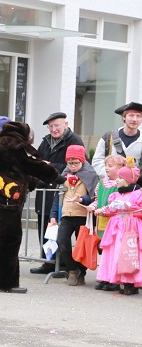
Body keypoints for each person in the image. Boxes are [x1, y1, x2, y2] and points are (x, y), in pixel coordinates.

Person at [0, 121, 58, 294]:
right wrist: (56, 176)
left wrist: (39, 181)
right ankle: (6, 283)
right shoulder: (14, 148)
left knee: (7, 236)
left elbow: (20, 173)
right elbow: (34, 167)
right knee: (11, 236)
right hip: (2, 199)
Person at [32, 112, 85, 274]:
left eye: (57, 125)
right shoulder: (45, 142)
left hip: (64, 190)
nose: (53, 129)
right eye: (51, 126)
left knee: (61, 227)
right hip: (45, 188)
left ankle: (62, 264)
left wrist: (49, 166)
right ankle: (48, 261)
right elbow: (37, 160)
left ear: (66, 125)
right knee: (44, 224)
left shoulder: (74, 141)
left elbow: (75, 164)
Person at [94, 166, 142, 295]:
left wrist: (129, 206)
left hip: (130, 227)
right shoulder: (117, 194)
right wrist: (103, 210)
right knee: (115, 252)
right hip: (116, 227)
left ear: (127, 180)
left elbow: (140, 210)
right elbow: (111, 209)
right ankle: (116, 279)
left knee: (127, 253)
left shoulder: (138, 193)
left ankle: (130, 282)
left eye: (120, 178)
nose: (117, 180)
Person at [56, 144, 99, 286]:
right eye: (70, 163)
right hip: (67, 214)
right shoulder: (65, 174)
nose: (73, 166)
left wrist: (82, 199)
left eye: (76, 163)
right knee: (61, 241)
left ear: (83, 161)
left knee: (82, 246)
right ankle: (72, 269)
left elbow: (94, 197)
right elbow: (58, 195)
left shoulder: (90, 174)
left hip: (83, 216)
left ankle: (82, 272)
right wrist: (52, 214)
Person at [92, 102, 142, 180]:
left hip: (134, 188)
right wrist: (110, 175)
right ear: (123, 117)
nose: (135, 119)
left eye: (138, 116)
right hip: (110, 186)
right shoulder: (108, 137)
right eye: (131, 115)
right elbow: (97, 161)